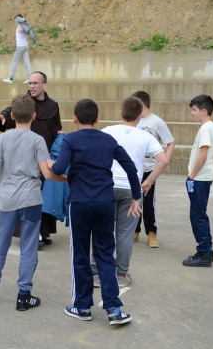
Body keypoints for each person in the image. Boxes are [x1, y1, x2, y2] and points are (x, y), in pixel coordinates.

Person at [49, 99, 141, 326]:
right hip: (104, 202)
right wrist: (136, 197)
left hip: (80, 203)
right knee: (105, 255)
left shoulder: (70, 139)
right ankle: (113, 309)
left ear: (74, 118)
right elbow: (130, 167)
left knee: (80, 255)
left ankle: (81, 307)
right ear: (98, 119)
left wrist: (49, 164)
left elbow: (59, 169)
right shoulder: (108, 139)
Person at [0, 94, 67, 311]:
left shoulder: (3, 139)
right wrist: (68, 178)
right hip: (32, 200)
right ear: (34, 116)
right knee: (29, 248)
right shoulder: (38, 140)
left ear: (12, 116)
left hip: (8, 201)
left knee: (0, 245)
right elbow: (48, 173)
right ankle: (24, 295)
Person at [91, 96, 169, 289]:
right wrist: (149, 181)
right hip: (131, 189)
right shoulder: (146, 136)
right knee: (125, 234)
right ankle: (121, 274)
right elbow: (163, 160)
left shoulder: (107, 131)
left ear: (120, 113)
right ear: (140, 115)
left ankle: (96, 273)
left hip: (106, 188)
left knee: (102, 230)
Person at [0, 71, 62, 248]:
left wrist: (59, 134)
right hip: (26, 155)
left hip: (44, 156)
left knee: (44, 195)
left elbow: (55, 127)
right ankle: (33, 234)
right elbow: (10, 112)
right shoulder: (25, 102)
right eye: (30, 83)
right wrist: (1, 117)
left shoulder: (53, 105)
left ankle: (42, 232)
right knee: (30, 196)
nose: (31, 86)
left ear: (44, 85)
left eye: (35, 83)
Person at [134, 90, 175, 248]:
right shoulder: (134, 120)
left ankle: (151, 232)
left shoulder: (157, 122)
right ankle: (134, 230)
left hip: (150, 169)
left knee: (149, 202)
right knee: (134, 200)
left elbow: (170, 142)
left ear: (142, 105)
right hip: (135, 169)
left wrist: (165, 159)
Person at [182, 95, 213, 268]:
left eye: (194, 110)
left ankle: (203, 253)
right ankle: (208, 249)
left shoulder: (206, 128)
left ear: (204, 111)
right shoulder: (211, 127)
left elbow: (202, 156)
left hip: (200, 177)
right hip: (203, 177)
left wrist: (191, 177)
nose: (192, 113)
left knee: (197, 215)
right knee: (201, 214)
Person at [3, 14, 32, 84]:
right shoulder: (25, 26)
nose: (15, 21)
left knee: (15, 62)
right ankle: (30, 78)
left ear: (19, 19)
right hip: (25, 46)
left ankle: (11, 78)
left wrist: (19, 23)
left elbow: (20, 30)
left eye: (16, 19)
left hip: (20, 46)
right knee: (27, 63)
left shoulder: (21, 25)